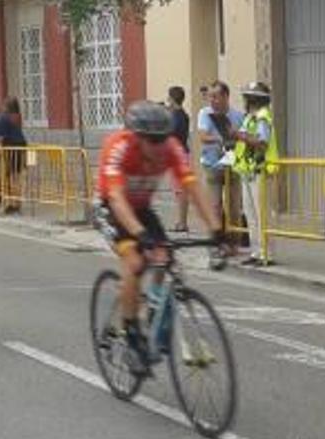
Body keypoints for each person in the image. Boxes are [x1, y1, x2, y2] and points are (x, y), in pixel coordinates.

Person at [94, 101, 224, 376]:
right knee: (136, 262)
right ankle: (130, 335)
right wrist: (140, 236)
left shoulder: (171, 148)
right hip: (112, 208)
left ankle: (150, 309)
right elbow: (116, 198)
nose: (157, 145)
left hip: (141, 208)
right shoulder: (118, 147)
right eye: (150, 140)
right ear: (135, 136)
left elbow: (192, 187)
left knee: (166, 258)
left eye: (161, 139)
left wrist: (216, 228)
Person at [232, 81, 279, 266]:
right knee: (251, 214)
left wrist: (240, 136)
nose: (245, 99)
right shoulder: (250, 117)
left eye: (247, 96)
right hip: (249, 171)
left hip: (261, 171)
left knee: (262, 214)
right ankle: (256, 251)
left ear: (254, 99)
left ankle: (267, 253)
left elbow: (262, 143)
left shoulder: (262, 117)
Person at [196, 81, 245, 249]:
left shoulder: (238, 116)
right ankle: (215, 243)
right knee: (214, 207)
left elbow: (244, 138)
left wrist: (237, 140)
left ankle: (234, 244)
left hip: (233, 166)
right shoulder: (205, 113)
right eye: (210, 96)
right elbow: (203, 136)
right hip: (212, 166)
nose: (212, 100)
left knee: (234, 207)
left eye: (215, 96)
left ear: (226, 96)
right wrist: (222, 139)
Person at [0, 97, 28, 214]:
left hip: (14, 149)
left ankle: (13, 204)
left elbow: (1, 137)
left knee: (12, 177)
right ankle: (14, 204)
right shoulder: (8, 118)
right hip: (18, 148)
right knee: (12, 177)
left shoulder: (1, 119)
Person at [167, 86, 193, 232]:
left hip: (178, 155)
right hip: (179, 154)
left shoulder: (177, 116)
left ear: (172, 99)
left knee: (181, 190)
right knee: (179, 190)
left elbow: (172, 134)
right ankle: (181, 221)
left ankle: (182, 222)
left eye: (169, 98)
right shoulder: (181, 115)